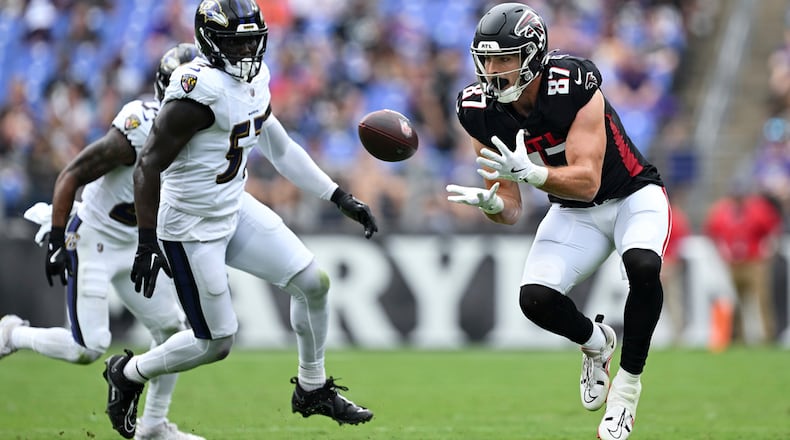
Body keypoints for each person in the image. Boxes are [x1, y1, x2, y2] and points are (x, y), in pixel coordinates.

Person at [101, 1, 377, 437]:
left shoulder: (256, 79)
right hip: (190, 227)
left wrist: (337, 195)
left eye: (252, 41)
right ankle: (128, 372)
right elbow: (147, 165)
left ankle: (312, 387)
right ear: (210, 43)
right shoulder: (196, 91)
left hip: (233, 207)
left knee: (314, 283)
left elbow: (280, 148)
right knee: (215, 343)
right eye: (237, 42)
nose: (248, 51)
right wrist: (147, 240)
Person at [445, 4, 669, 439]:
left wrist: (531, 174)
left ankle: (625, 392)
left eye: (503, 59)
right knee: (535, 300)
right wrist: (491, 203)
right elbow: (510, 209)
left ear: (532, 55)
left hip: (632, 194)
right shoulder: (477, 109)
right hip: (572, 212)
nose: (492, 71)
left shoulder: (572, 83)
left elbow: (587, 181)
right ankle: (596, 343)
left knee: (643, 265)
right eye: (486, 60)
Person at [0, 44, 205, 440]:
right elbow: (72, 173)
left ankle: (154, 426)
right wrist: (58, 236)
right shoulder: (139, 127)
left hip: (137, 244)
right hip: (94, 236)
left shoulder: (204, 136)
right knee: (88, 348)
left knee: (173, 329)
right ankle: (13, 335)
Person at [704, 182, 783, 345]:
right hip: (733, 264)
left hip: (754, 262)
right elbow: (712, 232)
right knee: (735, 300)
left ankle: (768, 335)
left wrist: (767, 250)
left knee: (761, 300)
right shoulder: (721, 212)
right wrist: (722, 251)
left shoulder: (758, 210)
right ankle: (738, 336)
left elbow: (773, 230)